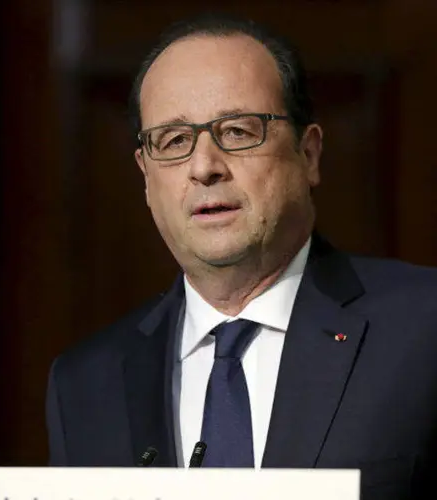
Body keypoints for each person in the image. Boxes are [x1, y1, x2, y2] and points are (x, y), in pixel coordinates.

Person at [44, 13, 437, 500]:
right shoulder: (84, 385)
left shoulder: (423, 329)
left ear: (308, 154)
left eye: (236, 131)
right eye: (174, 141)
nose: (204, 167)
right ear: (146, 178)